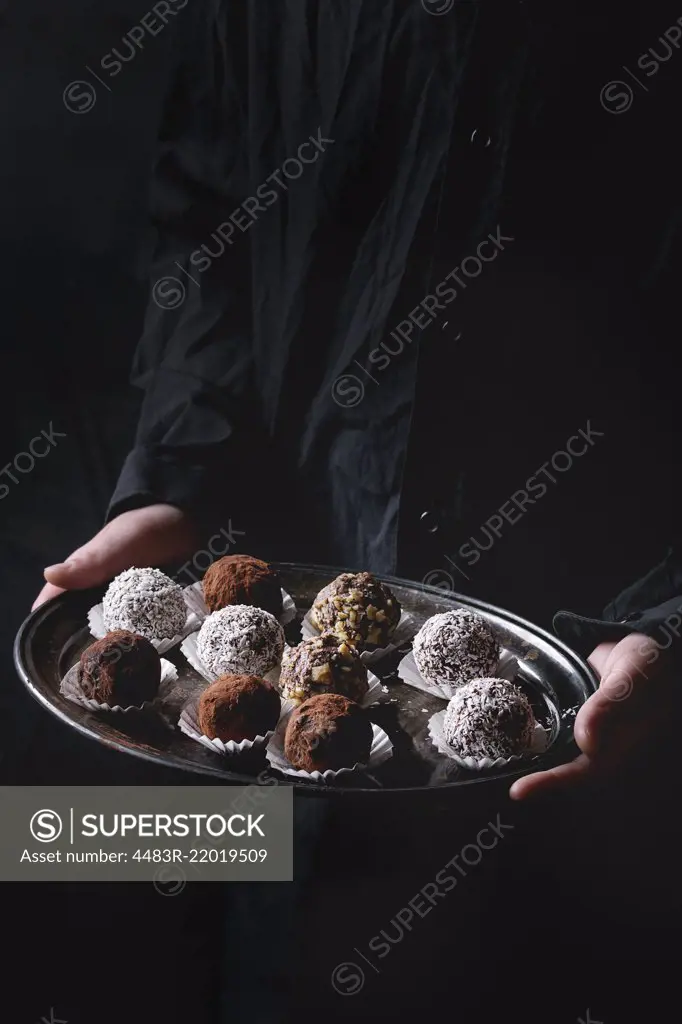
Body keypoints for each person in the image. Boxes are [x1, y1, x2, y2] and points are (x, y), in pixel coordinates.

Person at [30, 3, 682, 1018]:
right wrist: (175, 478)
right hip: (272, 587)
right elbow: (210, 214)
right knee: (156, 924)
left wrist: (667, 615)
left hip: (582, 671)